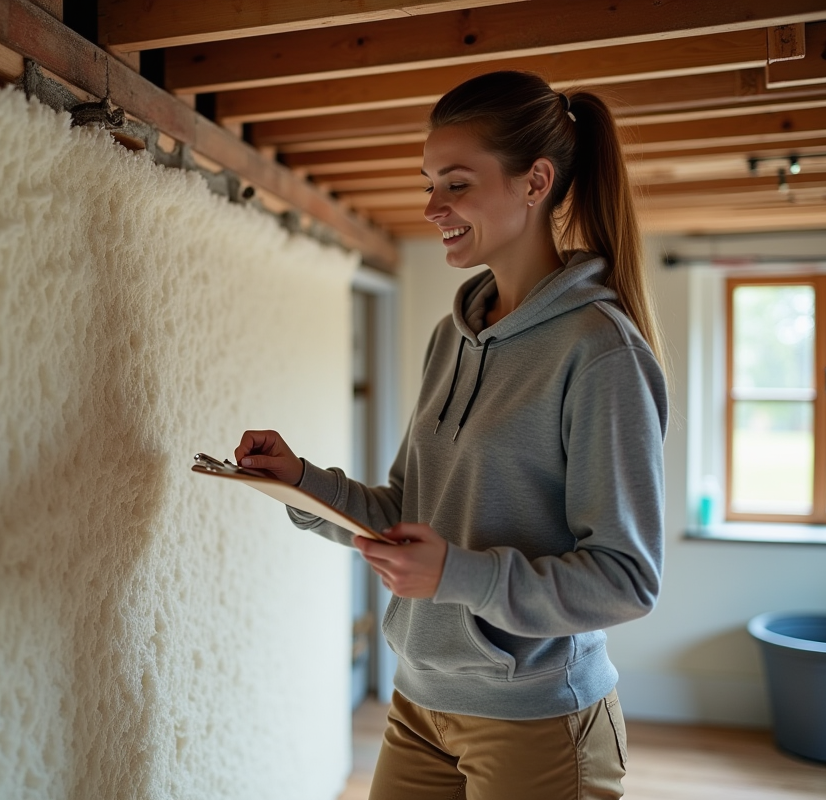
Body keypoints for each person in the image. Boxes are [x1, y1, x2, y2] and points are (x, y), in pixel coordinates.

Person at [233, 71, 668, 800]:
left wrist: (456, 576)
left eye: (457, 184)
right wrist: (300, 483)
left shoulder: (600, 351)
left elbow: (626, 581)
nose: (432, 206)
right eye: (430, 182)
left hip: (536, 722)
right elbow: (408, 510)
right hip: (420, 704)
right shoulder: (453, 336)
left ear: (535, 182)